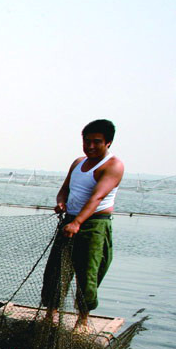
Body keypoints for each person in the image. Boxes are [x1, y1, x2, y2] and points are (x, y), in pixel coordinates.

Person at [40, 119, 124, 331]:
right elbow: (65, 189)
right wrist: (61, 203)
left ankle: (83, 320)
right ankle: (51, 314)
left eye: (97, 142)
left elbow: (96, 198)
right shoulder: (78, 163)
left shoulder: (113, 165)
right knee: (55, 271)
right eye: (87, 141)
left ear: (108, 143)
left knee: (87, 274)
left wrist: (78, 222)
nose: (91, 146)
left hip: (93, 225)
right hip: (70, 222)